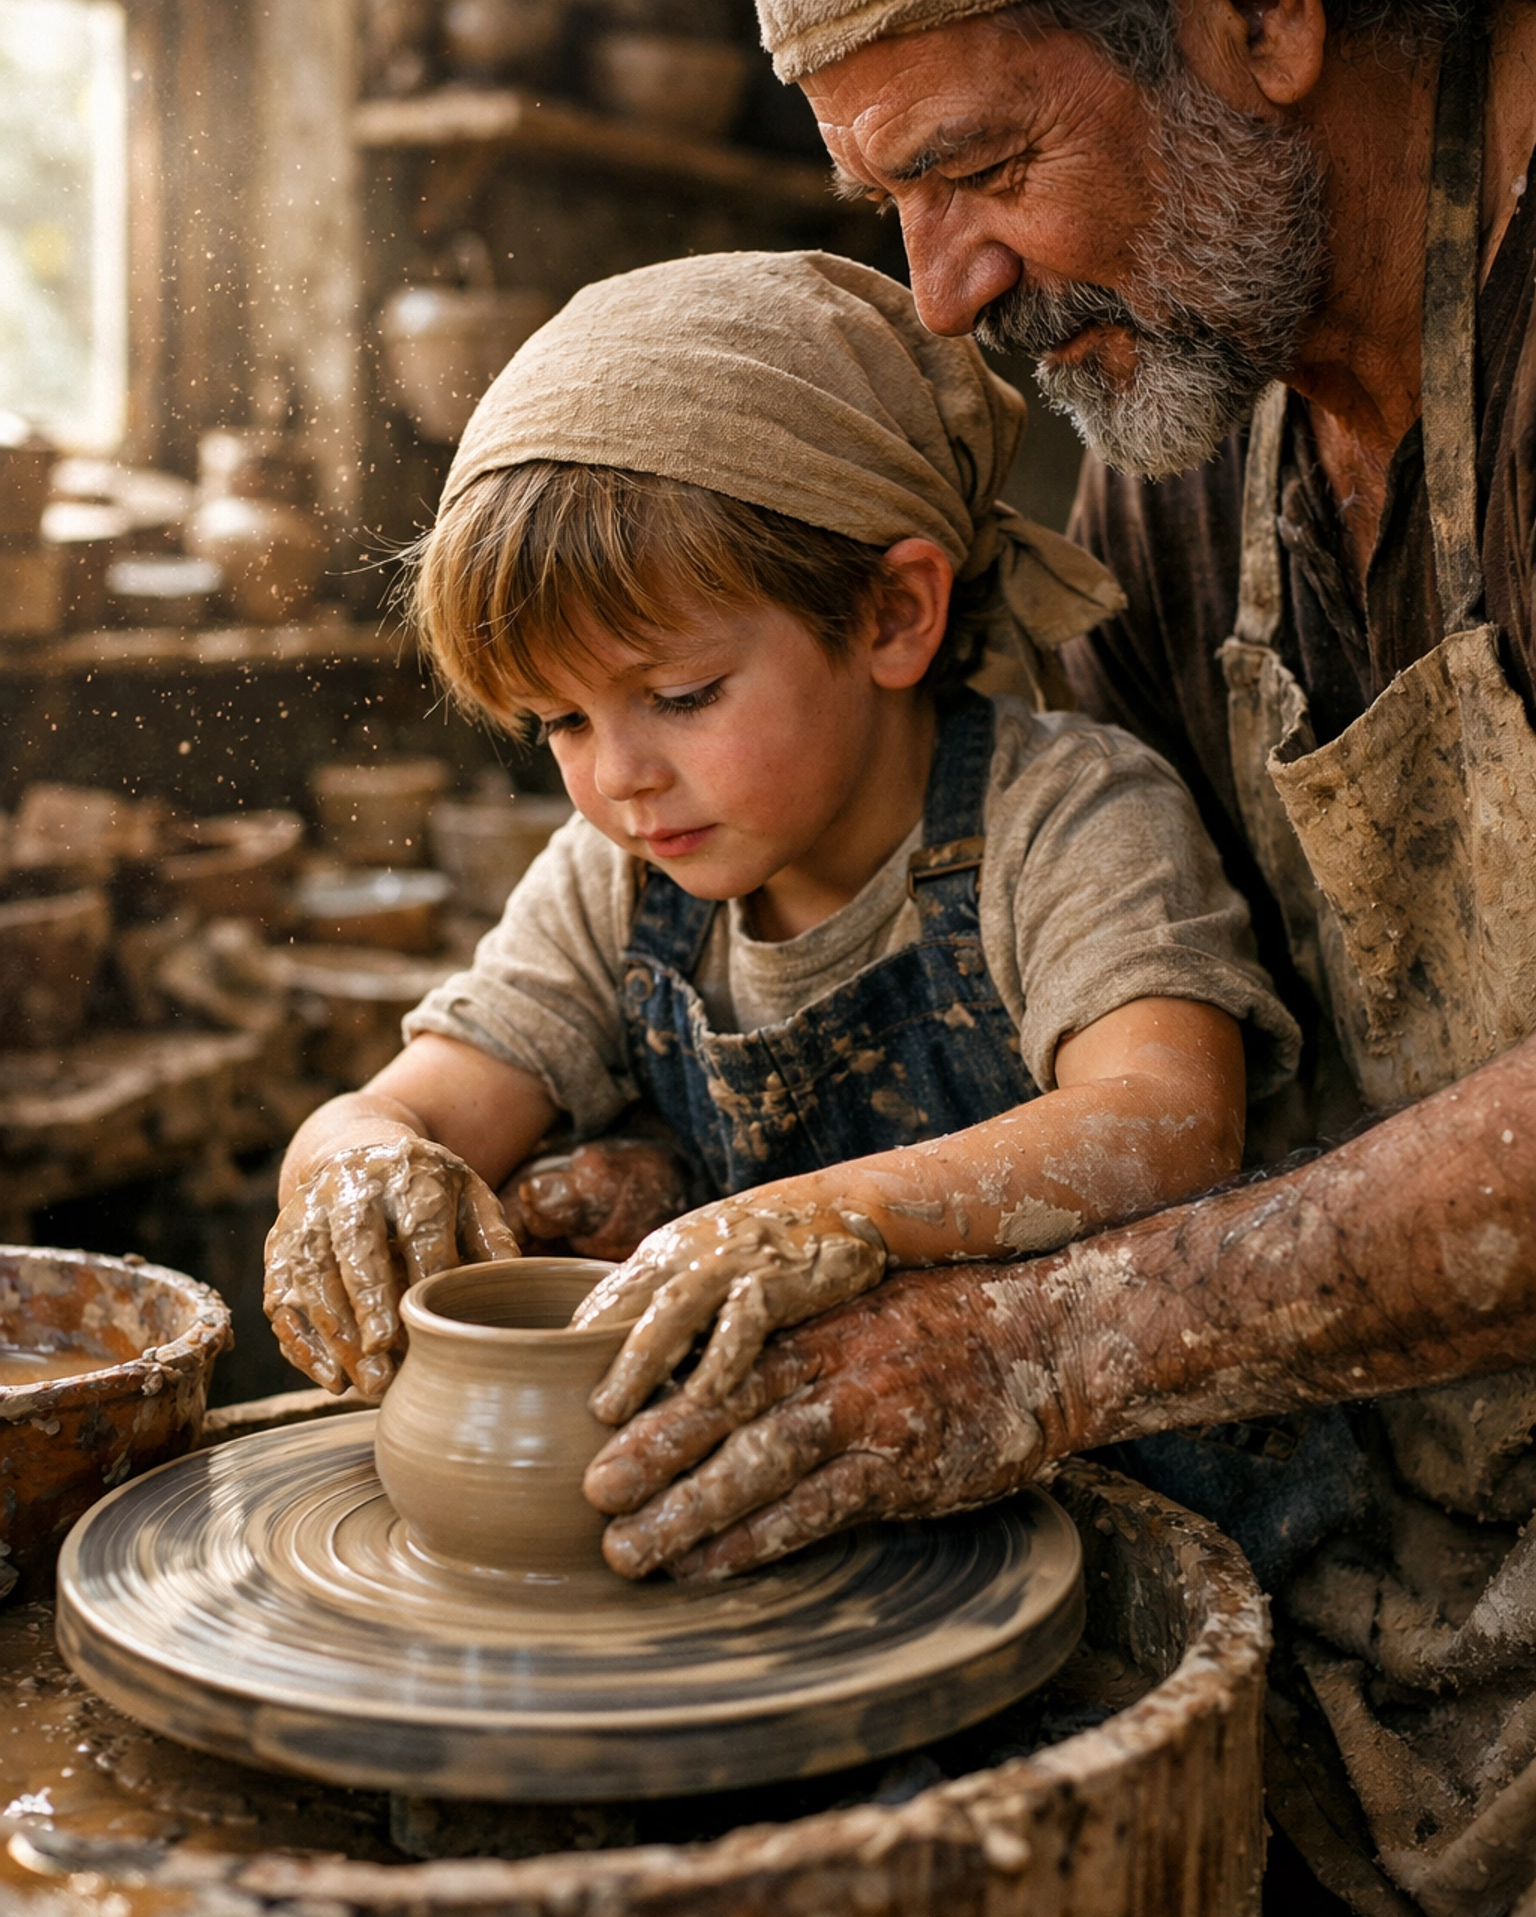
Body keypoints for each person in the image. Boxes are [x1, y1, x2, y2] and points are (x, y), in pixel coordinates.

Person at [537, 0, 1536, 1917]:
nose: (942, 289)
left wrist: (1038, 1348)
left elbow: (1136, 1252)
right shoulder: (1205, 451)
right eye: (893, 202)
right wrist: (715, 1198)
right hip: (1412, 1581)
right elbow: (1053, 1022)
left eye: (980, 168)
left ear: (1255, 1)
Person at [265, 252, 1296, 1438]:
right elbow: (411, 1114)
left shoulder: (1067, 817)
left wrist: (822, 1217)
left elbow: (1168, 1117)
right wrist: (355, 1164)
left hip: (1125, 1487)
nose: (619, 776)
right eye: (560, 722)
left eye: (685, 693)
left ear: (892, 614)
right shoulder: (620, 882)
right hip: (814, 1492)